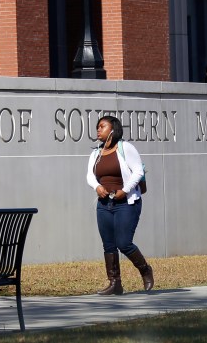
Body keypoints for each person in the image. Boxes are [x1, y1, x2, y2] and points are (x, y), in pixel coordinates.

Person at [85, 115, 154, 295]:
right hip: (104, 204)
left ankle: (145, 270)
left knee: (124, 243)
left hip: (126, 203)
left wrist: (125, 190)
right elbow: (90, 176)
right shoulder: (96, 153)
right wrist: (97, 186)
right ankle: (115, 283)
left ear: (113, 130)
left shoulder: (126, 148)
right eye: (97, 127)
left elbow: (138, 171)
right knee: (108, 244)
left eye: (102, 126)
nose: (98, 130)